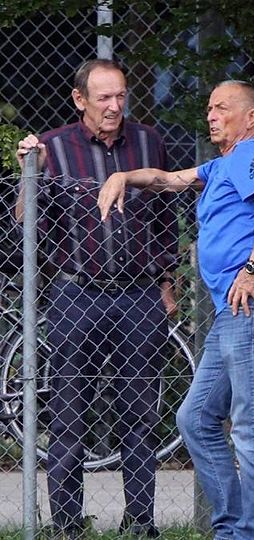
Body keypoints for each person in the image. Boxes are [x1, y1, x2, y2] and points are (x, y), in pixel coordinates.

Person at [97, 80, 254, 540]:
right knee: (195, 419)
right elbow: (168, 180)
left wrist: (253, 269)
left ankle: (251, 534)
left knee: (249, 426)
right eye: (209, 108)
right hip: (234, 310)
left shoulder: (249, 155)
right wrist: (123, 176)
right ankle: (230, 528)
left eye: (222, 108)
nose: (211, 115)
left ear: (251, 117)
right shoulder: (222, 164)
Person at [15, 58, 178, 539]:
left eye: (121, 96)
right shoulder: (52, 148)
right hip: (76, 295)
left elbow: (166, 218)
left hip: (140, 295)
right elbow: (25, 224)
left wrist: (167, 283)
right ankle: (67, 526)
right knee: (68, 417)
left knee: (140, 416)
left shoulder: (148, 142)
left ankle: (141, 523)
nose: (114, 106)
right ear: (79, 99)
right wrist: (29, 174)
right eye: (104, 97)